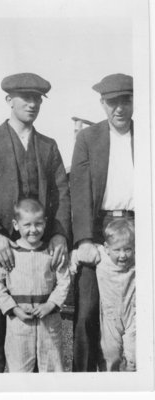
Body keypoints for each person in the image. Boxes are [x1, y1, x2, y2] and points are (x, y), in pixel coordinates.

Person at [0, 72, 71, 373]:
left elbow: (62, 194)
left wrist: (60, 234)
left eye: (38, 99)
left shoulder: (48, 146)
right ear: (9, 100)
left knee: (38, 339)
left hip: (38, 258)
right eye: (26, 97)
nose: (32, 104)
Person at [70, 73, 134, 371]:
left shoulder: (147, 133)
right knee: (87, 312)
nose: (119, 109)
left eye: (126, 101)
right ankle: (83, 383)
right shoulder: (88, 138)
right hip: (99, 230)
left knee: (138, 312)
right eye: (112, 103)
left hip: (139, 227)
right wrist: (83, 240)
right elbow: (80, 191)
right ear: (102, 104)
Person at [0, 198, 70, 372]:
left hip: (48, 319)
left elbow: (64, 280)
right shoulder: (9, 253)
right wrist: (13, 308)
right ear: (16, 225)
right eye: (27, 225)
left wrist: (51, 304)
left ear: (45, 223)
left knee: (52, 368)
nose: (33, 230)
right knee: (19, 369)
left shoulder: (51, 251)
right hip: (19, 320)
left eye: (38, 224)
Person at [96, 219, 136, 371]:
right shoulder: (101, 257)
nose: (123, 255)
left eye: (128, 249)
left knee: (134, 353)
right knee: (110, 353)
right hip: (110, 317)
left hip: (132, 314)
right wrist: (73, 260)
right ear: (107, 248)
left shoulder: (137, 262)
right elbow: (81, 253)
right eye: (117, 250)